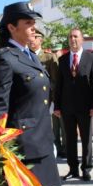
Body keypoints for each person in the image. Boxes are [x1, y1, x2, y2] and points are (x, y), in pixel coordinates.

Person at [0, 1, 61, 186]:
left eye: (33, 22)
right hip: (25, 146)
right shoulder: (4, 58)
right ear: (12, 27)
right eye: (28, 23)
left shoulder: (30, 55)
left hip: (42, 140)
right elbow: (0, 103)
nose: (33, 27)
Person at [54, 28, 93, 182]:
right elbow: (58, 85)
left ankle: (86, 169)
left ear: (82, 40)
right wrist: (57, 106)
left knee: (86, 139)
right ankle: (73, 169)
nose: (72, 39)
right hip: (67, 107)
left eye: (75, 36)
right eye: (70, 37)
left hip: (86, 107)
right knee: (70, 139)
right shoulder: (63, 59)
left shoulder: (91, 58)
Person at [29, 29, 66, 159]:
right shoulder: (24, 55)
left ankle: (55, 150)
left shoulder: (49, 57)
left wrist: (54, 101)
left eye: (35, 37)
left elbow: (55, 81)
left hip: (47, 99)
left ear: (41, 40)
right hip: (31, 100)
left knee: (51, 128)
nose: (32, 40)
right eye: (31, 37)